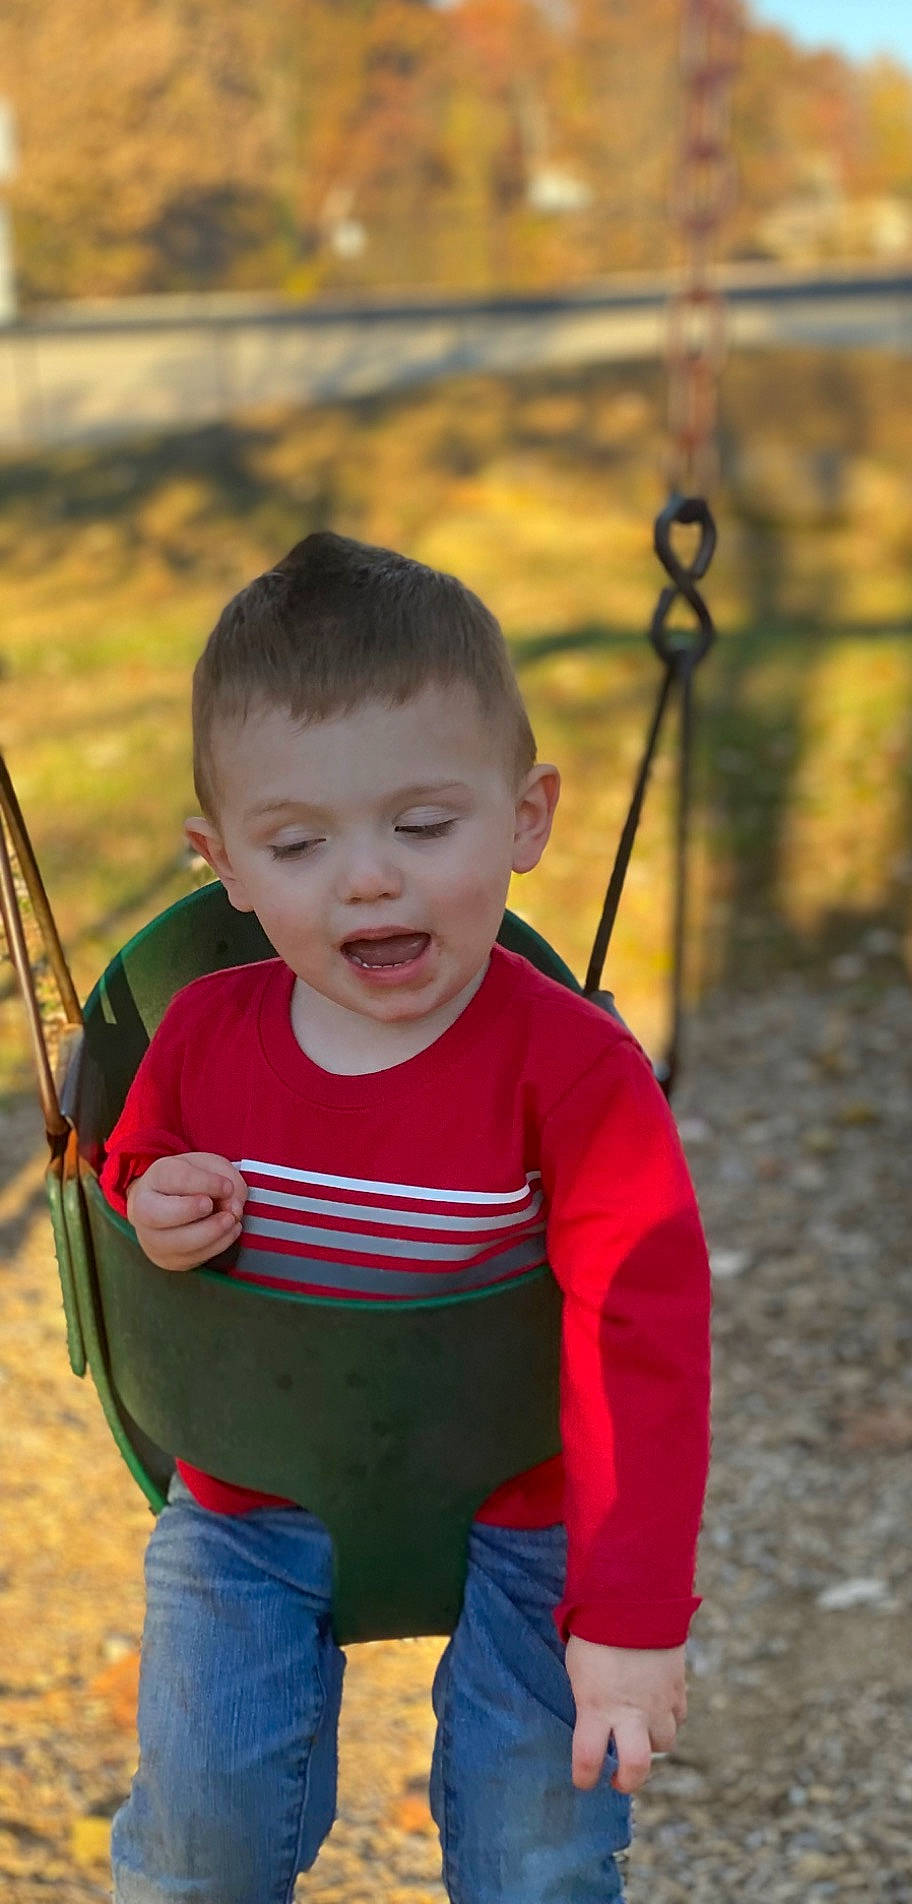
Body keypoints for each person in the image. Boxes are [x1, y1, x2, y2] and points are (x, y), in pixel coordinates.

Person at [100, 530, 712, 1904]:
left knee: (539, 1850)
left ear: (527, 819)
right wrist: (155, 1201)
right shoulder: (202, 1030)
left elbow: (646, 1335)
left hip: (523, 1498)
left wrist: (630, 1623)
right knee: (195, 1849)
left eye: (423, 827)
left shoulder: (576, 1074)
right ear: (225, 868)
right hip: (254, 1489)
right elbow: (134, 1162)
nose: (367, 879)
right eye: (298, 843)